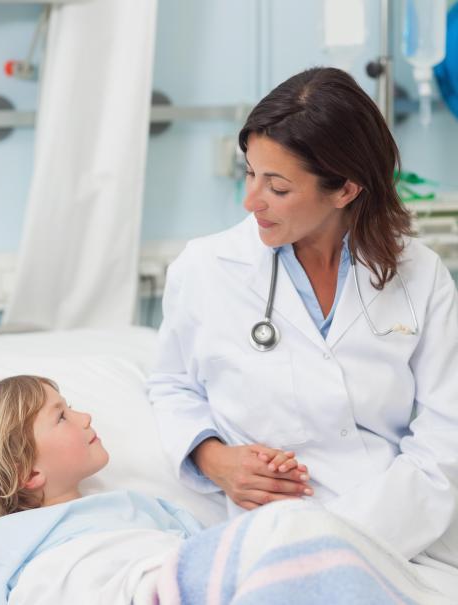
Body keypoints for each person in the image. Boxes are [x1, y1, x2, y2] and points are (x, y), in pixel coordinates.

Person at [148, 67, 458, 596]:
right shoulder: (205, 269)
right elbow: (171, 385)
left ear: (346, 189)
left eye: (278, 186)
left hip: (402, 529)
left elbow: (446, 431)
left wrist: (345, 536)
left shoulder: (419, 274)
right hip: (265, 533)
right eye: (249, 174)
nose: (252, 201)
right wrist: (216, 460)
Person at [0, 375, 454, 604]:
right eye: (62, 416)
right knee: (288, 527)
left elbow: (205, 554)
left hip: (182, 581)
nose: (85, 415)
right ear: (30, 473)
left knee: (288, 531)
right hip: (134, 592)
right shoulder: (1, 539)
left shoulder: (141, 506)